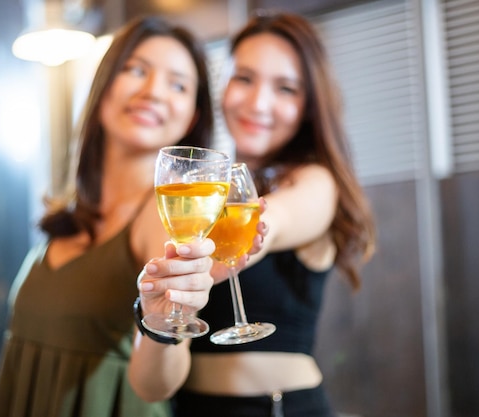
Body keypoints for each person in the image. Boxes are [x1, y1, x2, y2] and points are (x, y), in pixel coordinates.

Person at [0, 15, 235, 417]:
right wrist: (14, 376)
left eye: (178, 84)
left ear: (192, 117)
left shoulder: (163, 216)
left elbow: (156, 385)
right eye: (136, 70)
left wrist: (163, 324)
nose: (153, 91)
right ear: (104, 88)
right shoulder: (72, 211)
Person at [129, 12, 377, 417]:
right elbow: (150, 387)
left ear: (309, 106)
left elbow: (274, 222)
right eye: (243, 78)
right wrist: (158, 320)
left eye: (286, 88)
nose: (258, 103)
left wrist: (245, 236)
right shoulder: (194, 199)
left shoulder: (314, 181)